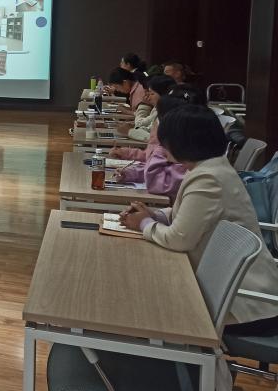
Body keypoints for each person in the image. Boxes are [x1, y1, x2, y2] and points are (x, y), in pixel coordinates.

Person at [119, 105, 278, 329]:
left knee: (145, 306)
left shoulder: (208, 178)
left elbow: (178, 239)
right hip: (227, 288)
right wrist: (154, 214)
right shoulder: (209, 167)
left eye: (164, 141)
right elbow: (188, 213)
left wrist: (145, 223)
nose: (161, 147)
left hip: (243, 304)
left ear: (182, 142)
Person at [113, 94, 189, 200]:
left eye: (151, 92)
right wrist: (130, 174)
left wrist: (162, 146)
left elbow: (155, 181)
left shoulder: (183, 154)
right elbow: (155, 165)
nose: (147, 95)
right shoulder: (173, 146)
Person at [116, 74, 175, 142]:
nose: (148, 97)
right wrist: (135, 128)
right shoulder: (160, 108)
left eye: (152, 93)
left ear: (164, 95)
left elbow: (156, 139)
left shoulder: (169, 113)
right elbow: (149, 129)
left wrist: (130, 131)